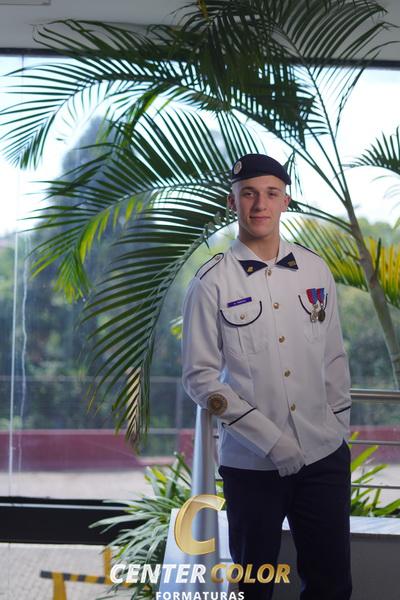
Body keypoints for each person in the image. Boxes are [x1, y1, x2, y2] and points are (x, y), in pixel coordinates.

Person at [181, 153, 352, 600]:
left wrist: (338, 426)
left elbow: (333, 356)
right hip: (252, 466)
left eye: (271, 194)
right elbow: (200, 378)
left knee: (332, 585)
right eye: (249, 194)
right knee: (254, 587)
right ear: (231, 202)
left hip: (324, 458)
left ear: (285, 201)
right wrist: (272, 441)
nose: (260, 204)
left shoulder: (315, 270)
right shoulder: (211, 282)